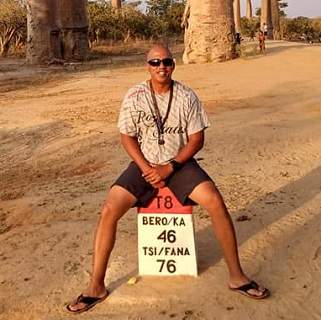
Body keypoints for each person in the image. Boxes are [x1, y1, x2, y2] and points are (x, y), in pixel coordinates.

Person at [66, 44, 270, 314]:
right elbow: (126, 136)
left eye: (166, 62)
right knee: (109, 210)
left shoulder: (186, 95)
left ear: (173, 65)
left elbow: (197, 139)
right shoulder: (135, 95)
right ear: (147, 66)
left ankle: (237, 276)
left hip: (179, 164)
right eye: (155, 62)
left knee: (215, 201)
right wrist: (147, 168)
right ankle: (96, 285)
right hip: (144, 163)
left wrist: (170, 167)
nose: (161, 66)